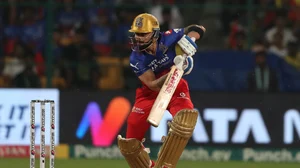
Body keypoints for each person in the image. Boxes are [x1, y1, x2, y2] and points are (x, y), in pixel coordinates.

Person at [117, 13, 205, 168]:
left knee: (185, 120)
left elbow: (198, 28)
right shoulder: (135, 58)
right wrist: (175, 70)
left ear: (155, 33)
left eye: (143, 34)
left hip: (176, 87)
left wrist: (190, 39)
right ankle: (150, 166)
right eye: (136, 34)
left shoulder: (169, 37)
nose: (138, 38)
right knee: (130, 144)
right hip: (150, 92)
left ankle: (166, 164)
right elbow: (152, 84)